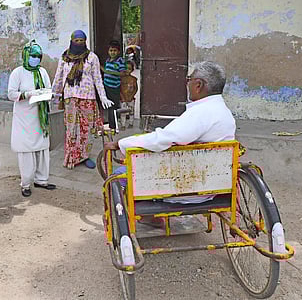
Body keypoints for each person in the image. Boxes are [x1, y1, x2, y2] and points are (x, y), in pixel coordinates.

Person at [105, 61, 236, 206]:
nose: (187, 85)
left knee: (120, 174)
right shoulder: (223, 112)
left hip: (188, 187)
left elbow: (162, 139)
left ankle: (150, 218)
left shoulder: (201, 113)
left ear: (198, 85)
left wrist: (120, 143)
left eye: (189, 80)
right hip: (214, 183)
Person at [52, 30, 114, 169]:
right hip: (70, 98)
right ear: (72, 41)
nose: (79, 43)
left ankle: (84, 156)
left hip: (88, 98)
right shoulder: (65, 57)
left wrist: (103, 97)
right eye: (77, 40)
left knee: (87, 130)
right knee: (71, 129)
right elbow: (59, 77)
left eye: (82, 40)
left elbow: (98, 78)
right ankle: (71, 157)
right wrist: (54, 95)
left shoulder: (92, 57)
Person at [8, 41, 56, 197]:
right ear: (26, 56)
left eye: (38, 56)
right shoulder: (18, 72)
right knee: (26, 150)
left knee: (42, 148)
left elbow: (49, 88)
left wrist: (47, 94)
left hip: (40, 116)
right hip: (24, 117)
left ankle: (42, 180)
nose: (36, 59)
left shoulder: (42, 72)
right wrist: (27, 94)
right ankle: (26, 183)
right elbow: (11, 94)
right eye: (33, 56)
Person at [101, 40, 127, 130]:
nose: (112, 52)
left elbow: (123, 73)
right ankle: (109, 123)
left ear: (118, 52)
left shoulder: (120, 61)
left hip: (114, 87)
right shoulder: (108, 60)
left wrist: (108, 72)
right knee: (107, 105)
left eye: (115, 50)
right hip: (106, 86)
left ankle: (114, 125)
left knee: (113, 106)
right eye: (111, 50)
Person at [119, 61, 138, 130]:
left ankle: (131, 123)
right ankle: (123, 125)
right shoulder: (121, 79)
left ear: (132, 70)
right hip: (123, 99)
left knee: (131, 111)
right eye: (125, 68)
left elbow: (136, 88)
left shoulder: (134, 79)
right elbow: (119, 89)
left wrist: (132, 96)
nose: (127, 70)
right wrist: (122, 97)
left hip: (131, 99)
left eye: (129, 69)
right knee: (123, 112)